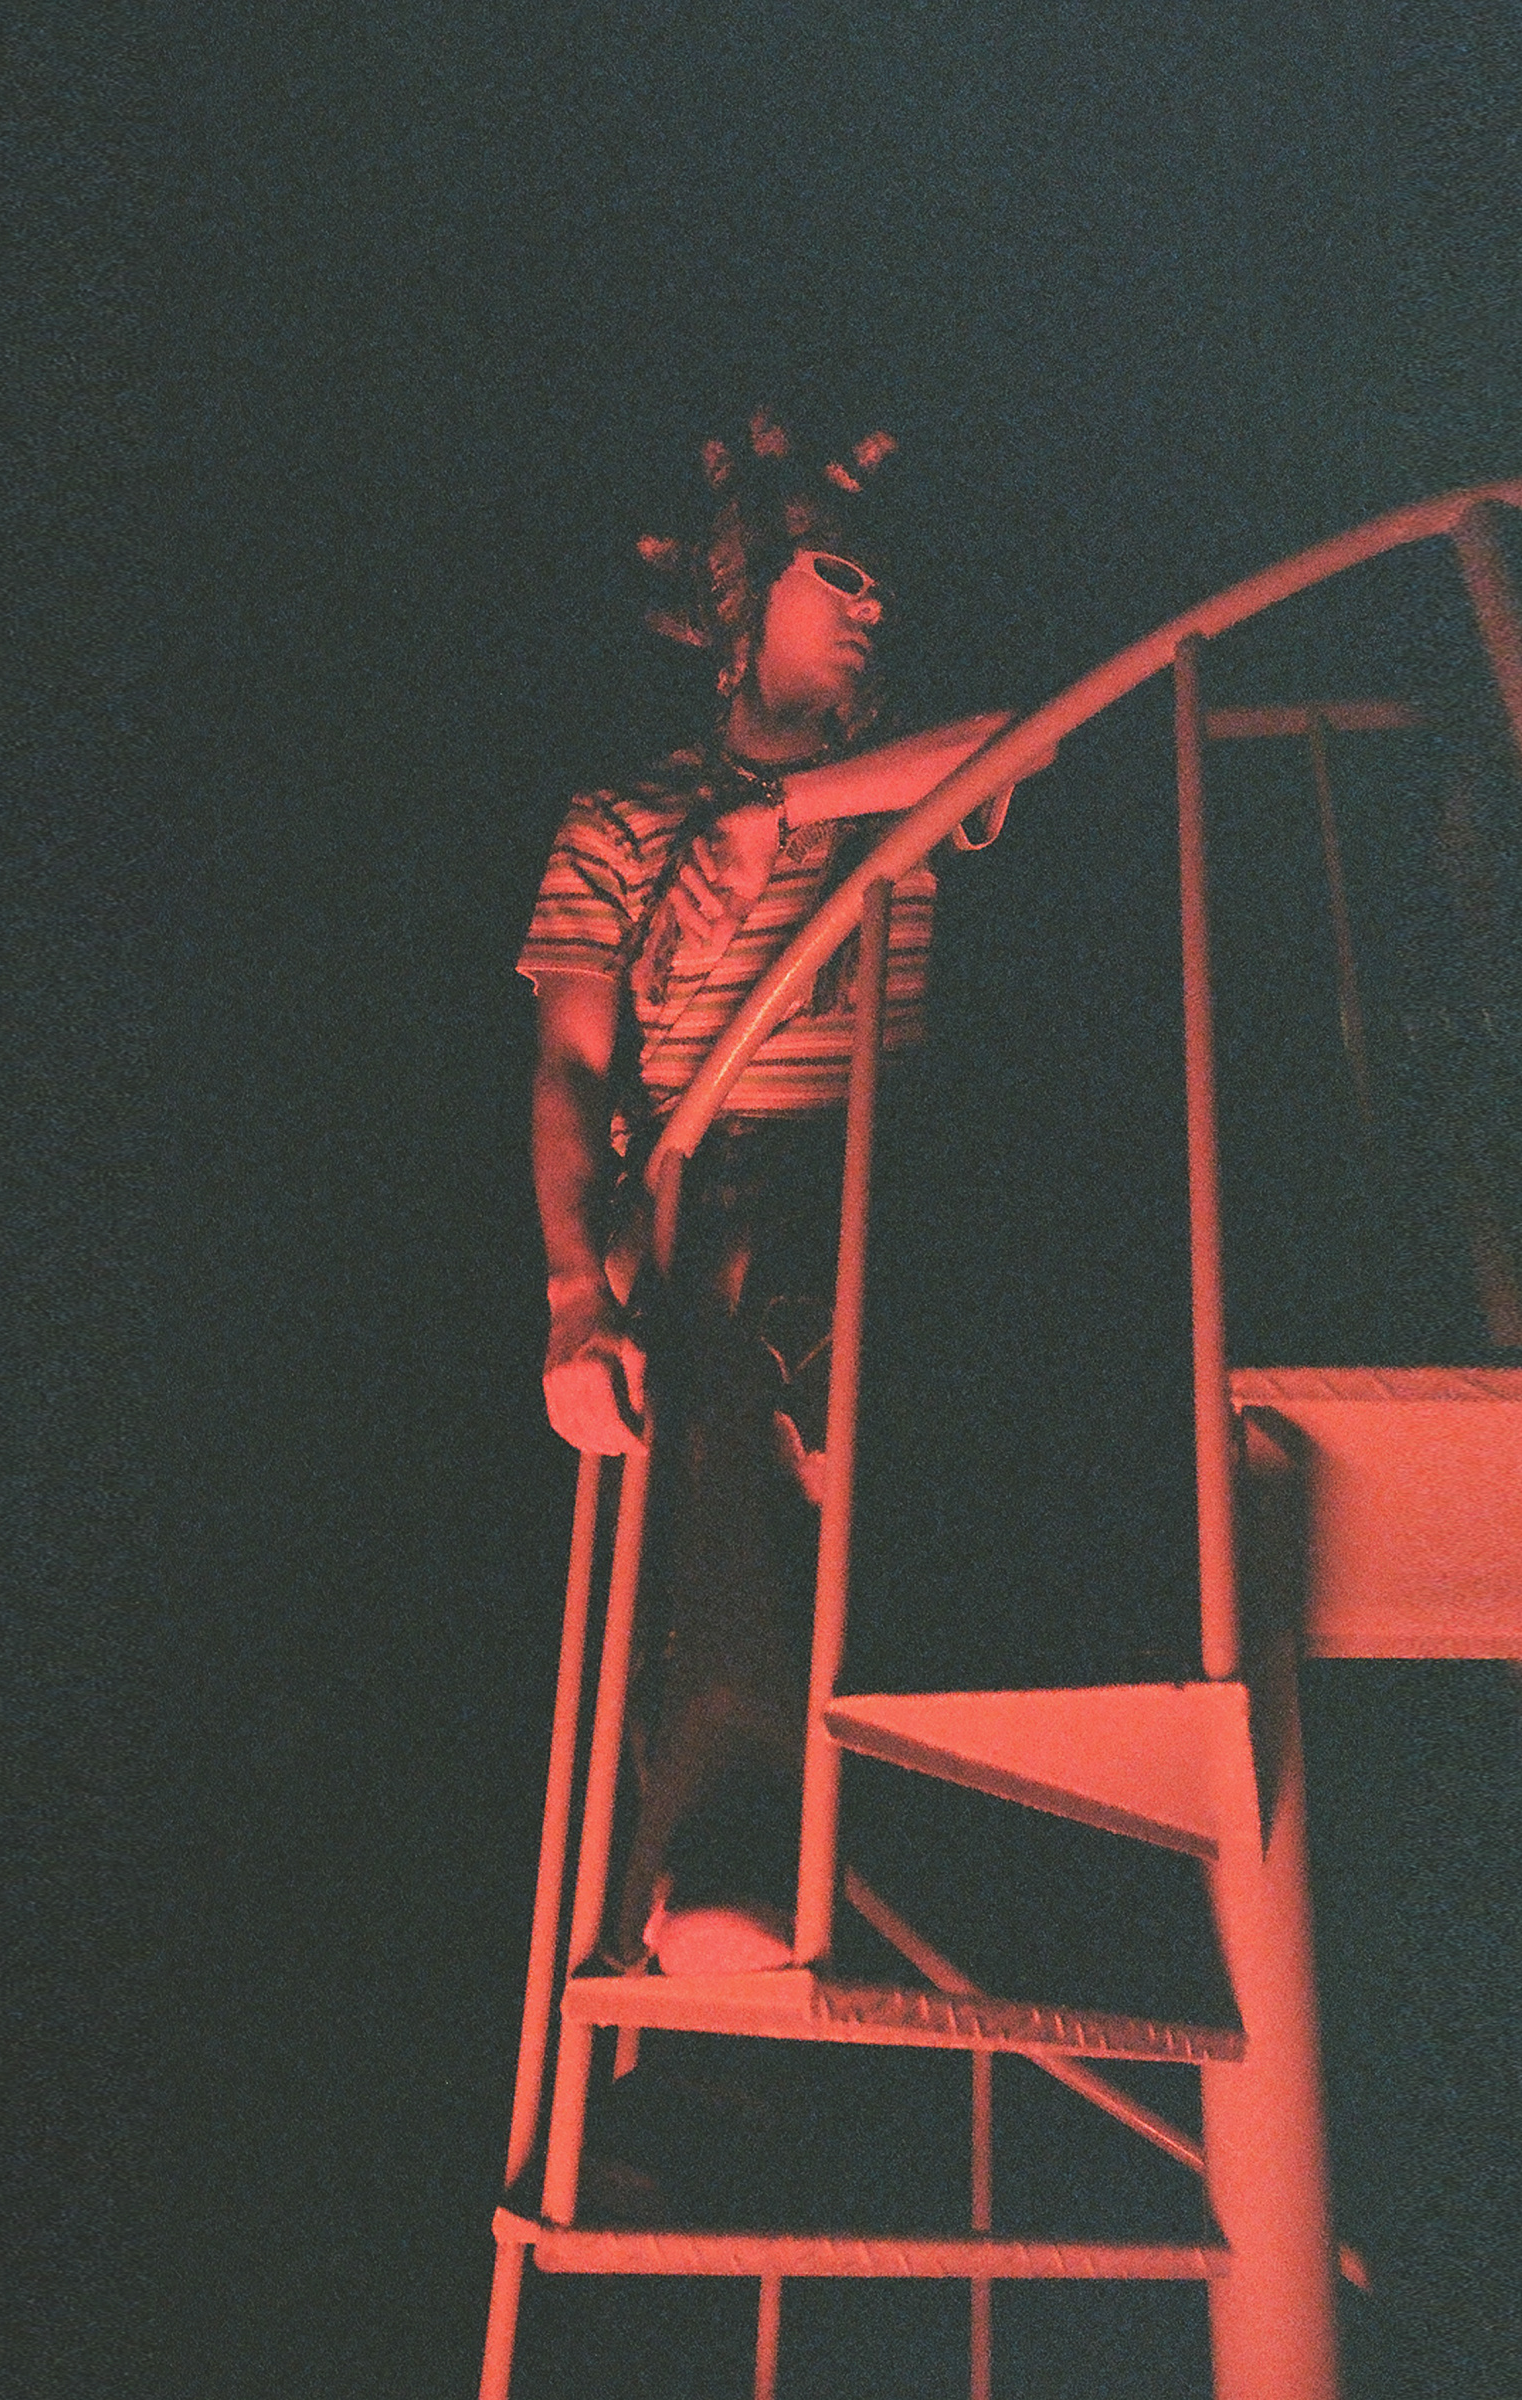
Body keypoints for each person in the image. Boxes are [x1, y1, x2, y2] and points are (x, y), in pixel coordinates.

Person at [518, 415, 1047, 1974]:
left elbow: (1020, 734)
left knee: (845, 1456)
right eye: (839, 569)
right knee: (713, 1469)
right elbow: (568, 1066)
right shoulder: (620, 816)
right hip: (708, 1187)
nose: (875, 601)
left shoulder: (886, 788)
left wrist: (781, 819)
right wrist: (572, 1295)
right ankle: (706, 1862)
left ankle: (789, 1856)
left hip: (876, 1174)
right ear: (750, 591)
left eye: (886, 578)